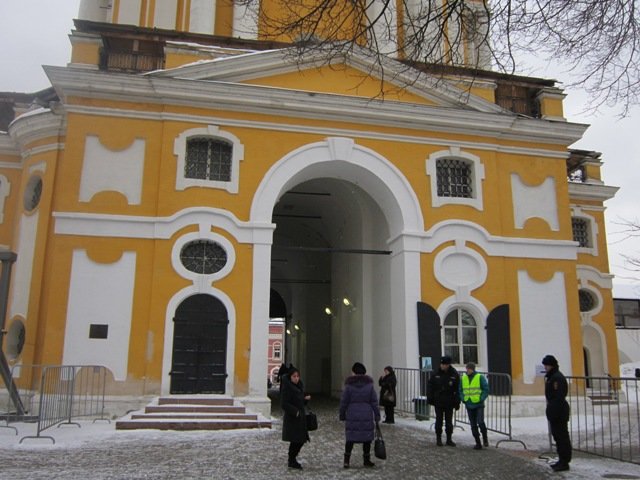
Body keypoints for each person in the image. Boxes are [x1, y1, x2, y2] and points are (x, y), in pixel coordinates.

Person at [339, 362, 381, 469]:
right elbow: (374, 402)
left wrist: (342, 414)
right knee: (367, 438)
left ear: (354, 372)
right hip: (366, 413)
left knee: (350, 437)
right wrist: (377, 415)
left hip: (352, 413)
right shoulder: (370, 386)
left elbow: (344, 402)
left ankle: (346, 460)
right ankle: (366, 460)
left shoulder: (348, 386)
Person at [542, 354, 572, 472]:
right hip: (555, 410)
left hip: (559, 411)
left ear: (551, 365)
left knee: (562, 437)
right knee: (558, 436)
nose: (545, 367)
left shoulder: (557, 378)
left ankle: (565, 461)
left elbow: (558, 396)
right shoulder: (552, 377)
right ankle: (561, 460)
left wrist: (553, 410)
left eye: (546, 365)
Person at [280, 367, 311, 469]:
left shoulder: (299, 386)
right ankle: (291, 460)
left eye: (298, 376)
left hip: (300, 419)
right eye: (294, 376)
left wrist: (305, 399)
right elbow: (284, 403)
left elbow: (300, 401)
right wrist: (295, 412)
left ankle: (292, 459)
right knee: (296, 440)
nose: (296, 378)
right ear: (290, 377)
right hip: (292, 418)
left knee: (300, 439)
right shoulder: (287, 387)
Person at [427, 355, 460, 446]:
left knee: (449, 421)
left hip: (449, 401)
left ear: (448, 365)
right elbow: (430, 386)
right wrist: (430, 397)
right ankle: (438, 438)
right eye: (442, 364)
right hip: (438, 400)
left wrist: (457, 401)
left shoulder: (454, 374)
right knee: (439, 420)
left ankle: (449, 439)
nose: (442, 366)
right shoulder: (436, 373)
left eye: (444, 364)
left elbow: (457, 389)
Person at [459, 362, 489, 449]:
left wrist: (481, 398)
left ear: (473, 369)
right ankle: (478, 442)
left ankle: (485, 438)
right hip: (469, 403)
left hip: (478, 404)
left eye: (469, 369)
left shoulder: (479, 377)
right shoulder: (463, 378)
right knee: (473, 425)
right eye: (467, 368)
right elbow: (460, 390)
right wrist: (463, 398)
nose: (467, 370)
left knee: (480, 422)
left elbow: (485, 389)